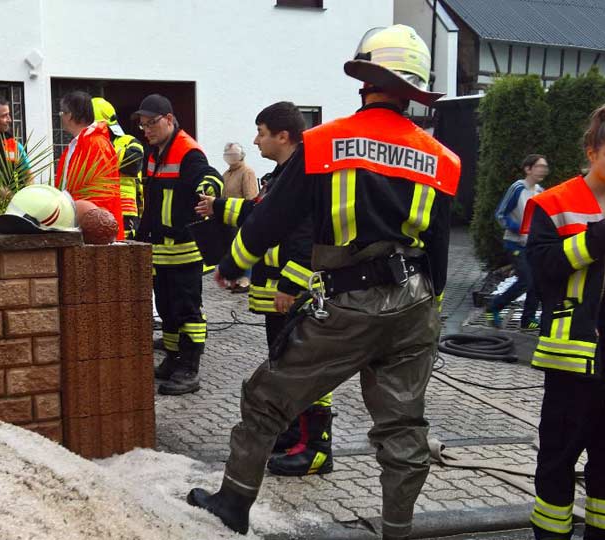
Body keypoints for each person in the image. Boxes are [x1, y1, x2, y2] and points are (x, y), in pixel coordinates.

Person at [185, 25, 460, 539]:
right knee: (403, 428)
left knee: (265, 397)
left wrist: (229, 265)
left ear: (366, 82)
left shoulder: (324, 142)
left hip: (350, 301)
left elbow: (272, 219)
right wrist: (429, 315)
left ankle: (233, 504)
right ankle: (397, 530)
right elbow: (440, 249)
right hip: (416, 303)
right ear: (412, 90)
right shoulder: (442, 159)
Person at [522, 99, 605, 540]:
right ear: (591, 152)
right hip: (573, 359)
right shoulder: (555, 203)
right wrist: (598, 238)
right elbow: (541, 271)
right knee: (558, 458)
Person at [195, 101, 333, 477]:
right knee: (285, 367)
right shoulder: (283, 175)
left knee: (305, 368)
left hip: (293, 295)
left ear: (282, 136)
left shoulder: (303, 178)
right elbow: (261, 214)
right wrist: (219, 206)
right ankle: (293, 434)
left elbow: (305, 238)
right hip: (278, 295)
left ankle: (317, 448)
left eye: (261, 132)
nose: (255, 140)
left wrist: (290, 286)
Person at [136, 93, 224, 396]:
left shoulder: (188, 152)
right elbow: (151, 202)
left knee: (188, 310)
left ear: (169, 120)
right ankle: (173, 360)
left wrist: (208, 192)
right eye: (143, 125)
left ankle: (189, 367)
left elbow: (209, 176)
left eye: (152, 123)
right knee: (167, 309)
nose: (146, 130)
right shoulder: (153, 154)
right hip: (160, 249)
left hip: (184, 249)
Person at [486, 154, 547, 330]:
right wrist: (518, 228)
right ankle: (493, 307)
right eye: (539, 166)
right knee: (526, 280)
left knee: (535, 281)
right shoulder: (518, 188)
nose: (543, 170)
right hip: (514, 244)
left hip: (530, 246)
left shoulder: (540, 191)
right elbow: (500, 214)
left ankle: (528, 320)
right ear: (528, 169)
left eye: (545, 167)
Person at [54, 91, 124, 241]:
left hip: (96, 229)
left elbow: (99, 195)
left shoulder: (96, 144)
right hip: (79, 224)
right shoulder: (78, 144)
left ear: (70, 115)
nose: (60, 117)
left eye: (61, 113)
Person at [92, 97, 146, 240]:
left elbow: (132, 164)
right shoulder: (83, 146)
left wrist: (99, 152)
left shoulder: (129, 142)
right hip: (97, 212)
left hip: (125, 214)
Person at [221, 142, 260, 292]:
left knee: (244, 248)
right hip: (228, 219)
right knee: (232, 250)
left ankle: (245, 281)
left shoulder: (246, 172)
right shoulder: (227, 173)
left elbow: (251, 197)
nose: (230, 158)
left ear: (241, 155)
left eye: (233, 155)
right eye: (228, 154)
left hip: (241, 218)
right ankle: (234, 279)